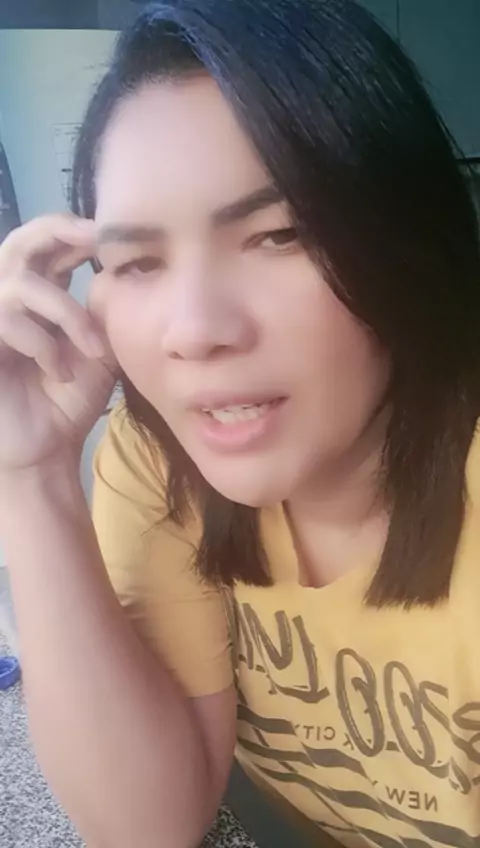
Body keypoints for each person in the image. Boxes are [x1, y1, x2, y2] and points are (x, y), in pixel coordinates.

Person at [0, 1, 480, 845]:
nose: (194, 332)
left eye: (279, 234)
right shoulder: (160, 460)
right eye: (137, 261)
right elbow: (148, 826)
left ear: (408, 237)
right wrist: (30, 474)